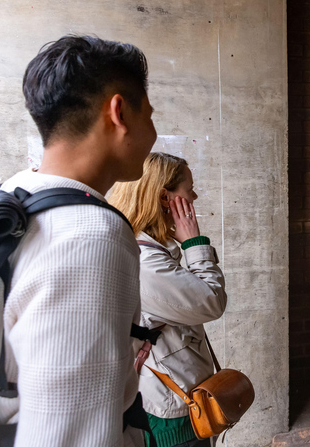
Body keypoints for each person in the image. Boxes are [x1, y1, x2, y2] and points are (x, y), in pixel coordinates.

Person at [0, 36, 157, 445]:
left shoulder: (15, 195)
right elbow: (68, 433)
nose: (153, 132)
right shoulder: (90, 236)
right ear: (119, 112)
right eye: (149, 114)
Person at [109, 153, 226, 447]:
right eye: (189, 188)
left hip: (178, 393)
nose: (195, 195)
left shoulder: (149, 246)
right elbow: (211, 302)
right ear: (165, 197)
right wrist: (194, 244)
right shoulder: (144, 260)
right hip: (171, 407)